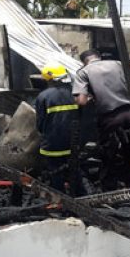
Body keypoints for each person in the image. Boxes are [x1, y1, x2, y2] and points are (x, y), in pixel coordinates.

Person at [73, 49, 130, 191]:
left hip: (110, 119)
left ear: (84, 61)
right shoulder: (118, 64)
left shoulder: (83, 72)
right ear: (99, 57)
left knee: (108, 158)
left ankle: (110, 196)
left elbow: (81, 101)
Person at [35, 62, 86, 196]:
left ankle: (61, 203)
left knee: (55, 175)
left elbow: (40, 124)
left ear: (48, 79)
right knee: (75, 172)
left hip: (52, 145)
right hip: (73, 144)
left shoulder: (43, 96)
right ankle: (82, 200)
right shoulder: (74, 94)